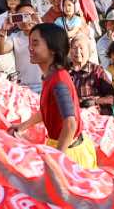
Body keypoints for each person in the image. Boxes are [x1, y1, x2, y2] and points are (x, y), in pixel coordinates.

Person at [13, 23, 96, 167]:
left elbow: (70, 124)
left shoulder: (58, 81)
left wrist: (57, 159)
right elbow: (49, 110)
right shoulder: (51, 76)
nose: (30, 48)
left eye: (35, 43)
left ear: (52, 49)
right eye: (30, 43)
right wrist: (22, 126)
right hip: (64, 148)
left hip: (70, 156)